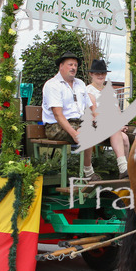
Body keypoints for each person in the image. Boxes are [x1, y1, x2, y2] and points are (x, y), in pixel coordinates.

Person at [41, 52, 98, 182]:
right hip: (56, 126)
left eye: (76, 65)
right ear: (61, 66)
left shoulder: (80, 84)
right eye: (70, 64)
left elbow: (91, 107)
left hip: (79, 123)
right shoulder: (53, 84)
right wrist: (73, 133)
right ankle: (88, 173)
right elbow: (57, 114)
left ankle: (123, 169)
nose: (73, 68)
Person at [86, 59, 129, 178]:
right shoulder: (88, 90)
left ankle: (126, 172)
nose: (100, 76)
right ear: (91, 74)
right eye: (97, 73)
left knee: (125, 139)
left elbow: (117, 110)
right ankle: (123, 167)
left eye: (103, 73)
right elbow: (95, 113)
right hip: (96, 126)